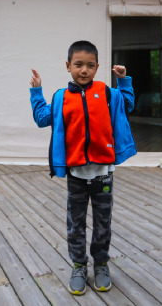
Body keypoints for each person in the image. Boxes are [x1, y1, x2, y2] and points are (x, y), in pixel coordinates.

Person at [29, 40, 136, 295]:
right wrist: (36, 92)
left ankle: (101, 264)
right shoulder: (61, 97)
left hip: (103, 175)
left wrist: (124, 81)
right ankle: (79, 265)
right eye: (78, 65)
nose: (84, 70)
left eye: (90, 65)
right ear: (68, 66)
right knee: (75, 224)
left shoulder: (108, 93)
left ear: (97, 67)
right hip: (76, 175)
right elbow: (42, 118)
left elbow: (128, 106)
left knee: (102, 224)